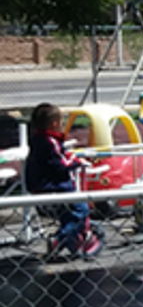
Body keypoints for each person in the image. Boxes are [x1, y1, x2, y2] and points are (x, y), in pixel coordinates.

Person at [24, 103, 103, 260]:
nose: (62, 125)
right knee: (81, 210)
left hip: (41, 186)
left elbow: (59, 156)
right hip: (54, 187)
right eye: (61, 122)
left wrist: (71, 156)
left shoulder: (38, 140)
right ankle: (58, 239)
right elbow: (60, 165)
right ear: (54, 124)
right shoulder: (50, 142)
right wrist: (76, 162)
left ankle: (62, 241)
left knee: (68, 215)